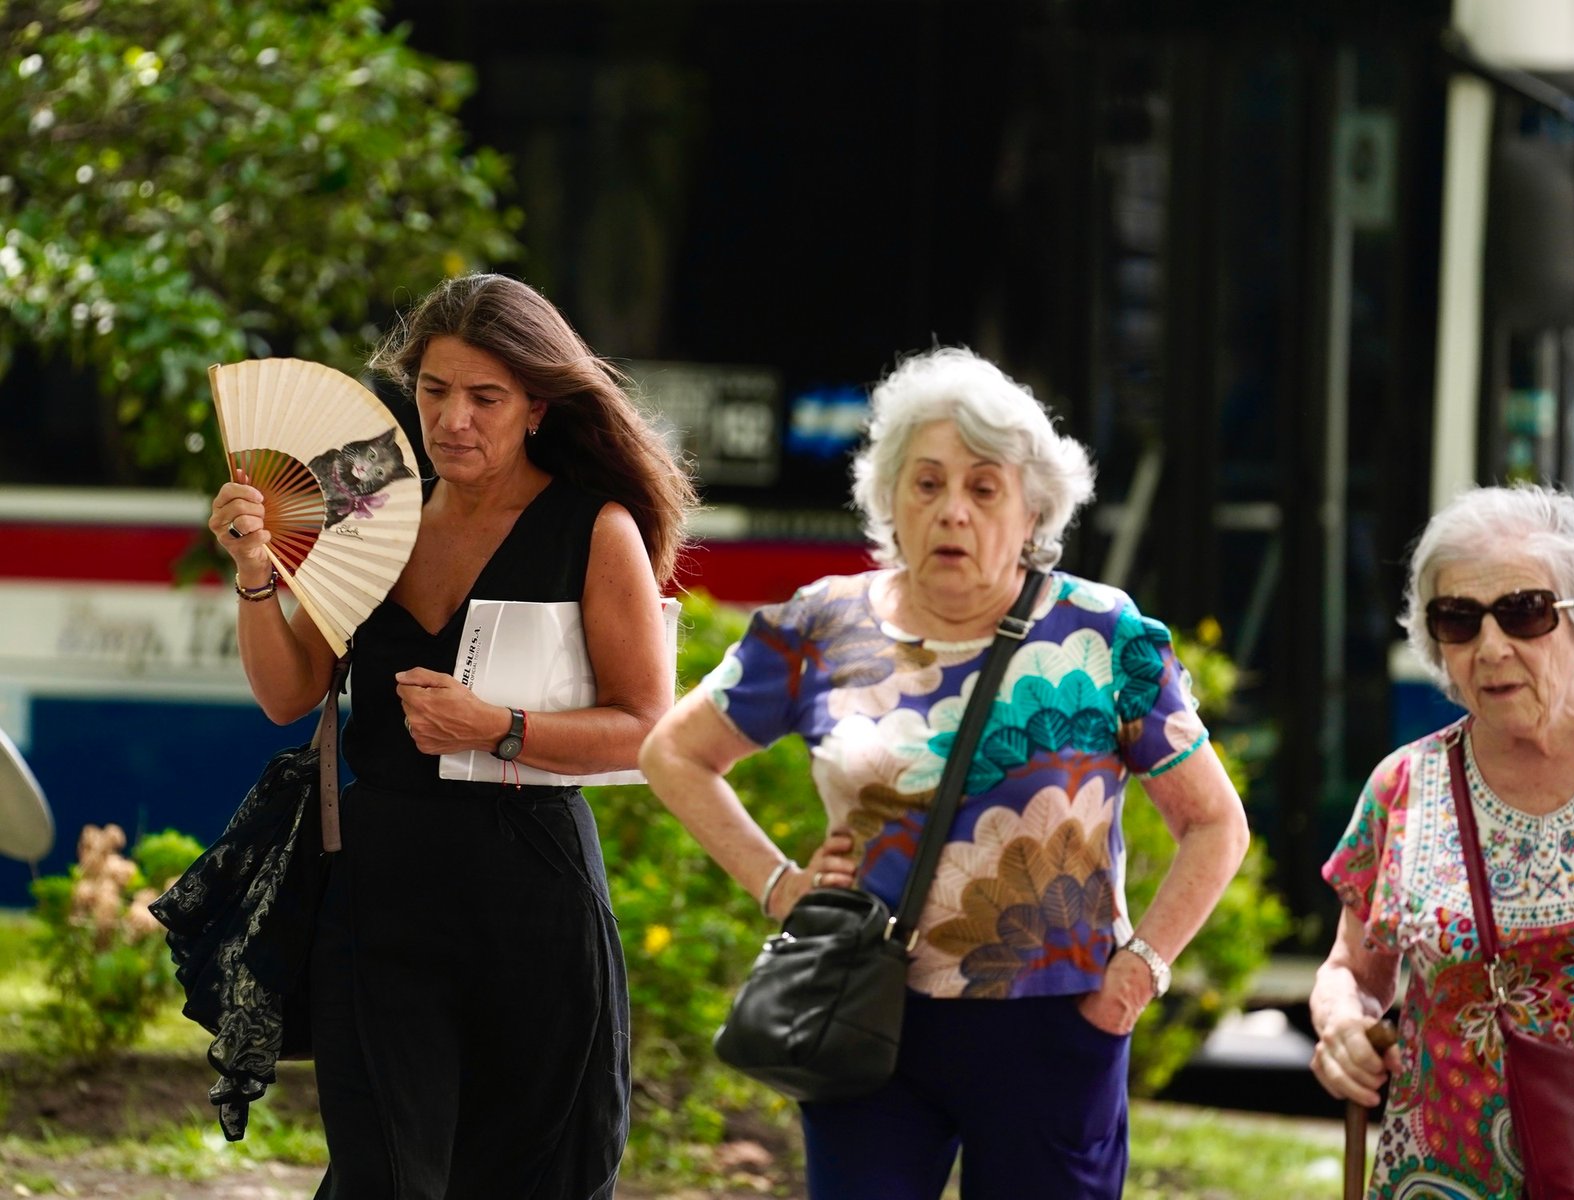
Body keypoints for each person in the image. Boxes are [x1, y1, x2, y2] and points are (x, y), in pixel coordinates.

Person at [639, 346, 1251, 1200]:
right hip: (862, 1012)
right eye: (926, 484)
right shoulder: (821, 622)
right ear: (889, 498)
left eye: (983, 487)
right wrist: (780, 886)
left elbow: (1215, 824)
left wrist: (1138, 973)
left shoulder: (1104, 634)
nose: (952, 511)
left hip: (1056, 1024)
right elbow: (674, 752)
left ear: (1033, 509)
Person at [208, 273, 695, 1199]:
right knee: (382, 1174)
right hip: (380, 883)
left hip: (531, 891)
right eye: (434, 392)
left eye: (486, 398)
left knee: (529, 1176)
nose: (454, 419)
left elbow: (646, 730)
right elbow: (289, 694)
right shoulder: (372, 511)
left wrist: (500, 728)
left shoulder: (595, 529)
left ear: (538, 407)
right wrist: (257, 574)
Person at [1311, 482, 1574, 1199]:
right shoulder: (1403, 784)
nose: (1492, 645)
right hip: (1442, 1174)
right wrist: (1341, 1024)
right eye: (1459, 620)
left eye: (1525, 611)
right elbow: (1351, 968)